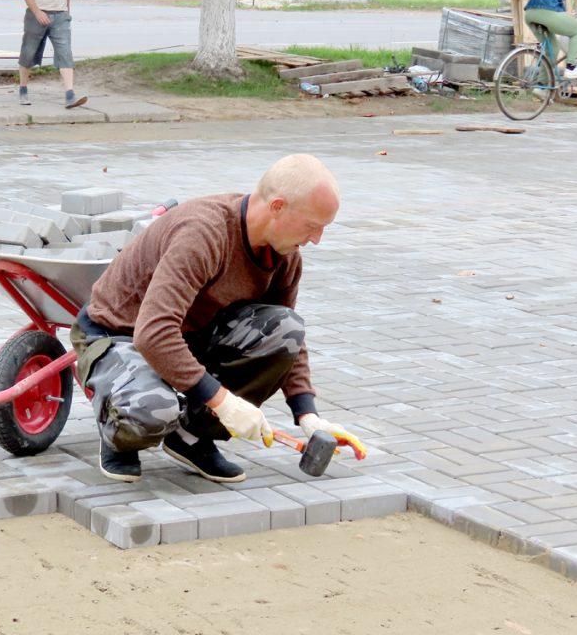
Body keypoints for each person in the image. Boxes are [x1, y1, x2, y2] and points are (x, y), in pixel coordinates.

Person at [70, 154, 364, 483]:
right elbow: (153, 334)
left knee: (285, 328)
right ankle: (119, 433)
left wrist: (307, 414)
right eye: (313, 226)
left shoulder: (283, 256)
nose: (316, 239)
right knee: (152, 410)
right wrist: (223, 402)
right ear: (278, 206)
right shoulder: (204, 234)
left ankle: (190, 436)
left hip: (190, 334)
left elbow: (289, 341)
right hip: (120, 333)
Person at [17, 0, 86, 109]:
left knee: (65, 54)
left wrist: (66, 12)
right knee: (28, 53)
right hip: (37, 15)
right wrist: (38, 12)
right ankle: (23, 89)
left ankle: (70, 95)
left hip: (60, 16)